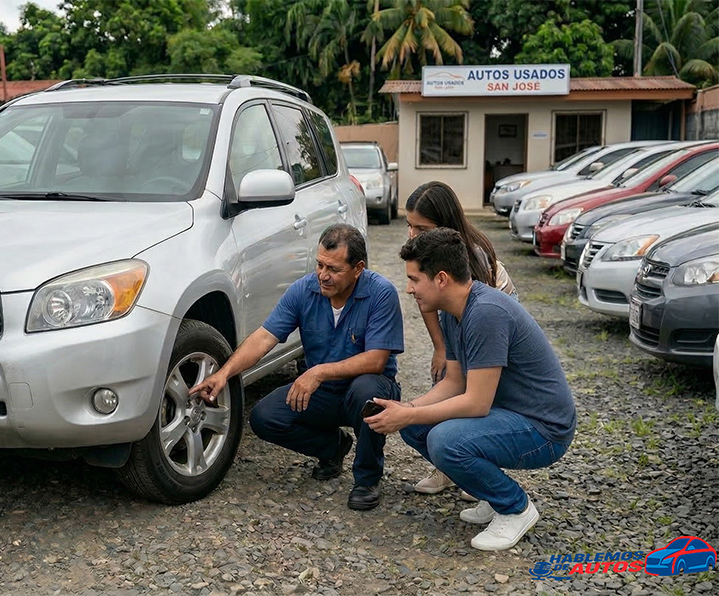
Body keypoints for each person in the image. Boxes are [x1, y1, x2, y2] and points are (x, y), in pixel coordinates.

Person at [365, 228, 576, 551]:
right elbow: (454, 382)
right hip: (509, 415)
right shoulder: (455, 312)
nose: (408, 289)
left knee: (443, 438)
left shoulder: (486, 313)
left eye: (414, 279)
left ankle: (515, 507)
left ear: (441, 279)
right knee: (415, 426)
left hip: (544, 428)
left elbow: (476, 403)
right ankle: (492, 497)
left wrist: (411, 414)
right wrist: (407, 410)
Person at [190, 224, 404, 511]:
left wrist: (317, 372)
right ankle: (333, 448)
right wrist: (223, 374)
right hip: (324, 392)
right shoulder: (303, 290)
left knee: (367, 392)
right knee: (265, 417)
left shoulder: (381, 293)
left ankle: (366, 479)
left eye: (333, 269)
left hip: (368, 387)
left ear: (358, 268)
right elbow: (264, 338)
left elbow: (376, 360)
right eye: (320, 265)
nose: (323, 275)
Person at [403, 181, 517, 498]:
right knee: (449, 386)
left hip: (490, 334)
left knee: (478, 395)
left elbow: (486, 324)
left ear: (446, 225)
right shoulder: (421, 248)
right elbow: (425, 299)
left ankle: (481, 468)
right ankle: (451, 467)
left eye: (421, 227)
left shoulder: (476, 261)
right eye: (409, 225)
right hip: (458, 327)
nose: (412, 234)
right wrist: (441, 347)